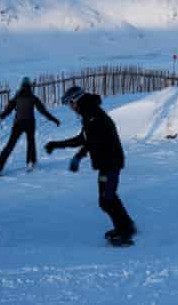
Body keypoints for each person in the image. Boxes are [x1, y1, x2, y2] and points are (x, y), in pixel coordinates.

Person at [44, 86, 136, 246]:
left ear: (75, 101)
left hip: (110, 162)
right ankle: (126, 226)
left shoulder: (93, 115)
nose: (70, 108)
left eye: (70, 104)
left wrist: (78, 157)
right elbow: (84, 138)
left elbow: (92, 141)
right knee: (108, 197)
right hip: (107, 162)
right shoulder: (89, 114)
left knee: (107, 199)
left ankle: (125, 232)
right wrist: (57, 145)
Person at [0, 77, 60, 174]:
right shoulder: (33, 97)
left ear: (21, 86)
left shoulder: (17, 97)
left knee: (10, 145)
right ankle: (31, 162)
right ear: (30, 86)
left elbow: (8, 109)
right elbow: (43, 111)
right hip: (30, 123)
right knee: (31, 142)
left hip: (18, 123)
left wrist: (2, 115)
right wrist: (53, 119)